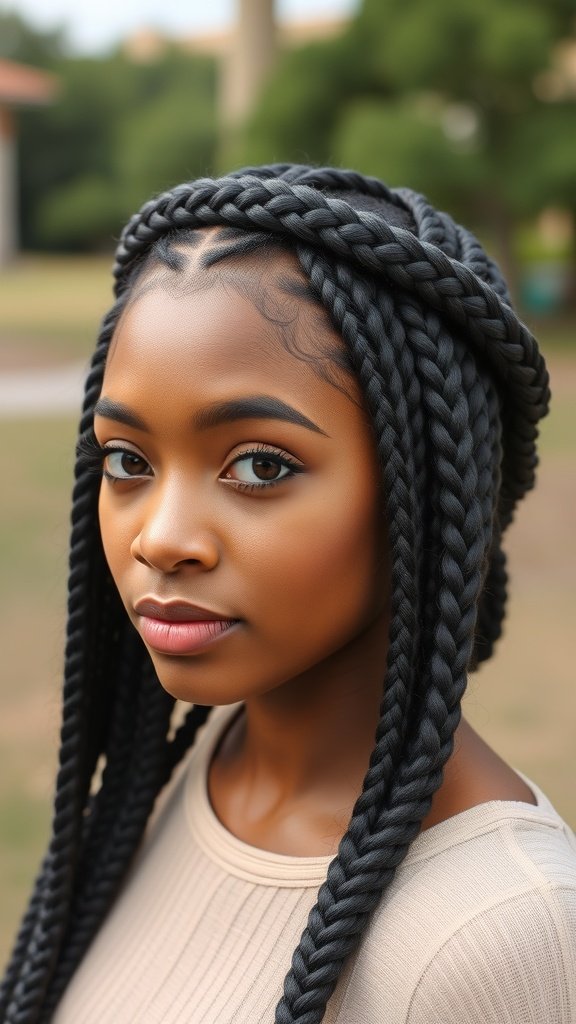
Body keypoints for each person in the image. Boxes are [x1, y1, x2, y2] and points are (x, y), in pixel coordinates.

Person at [1, 164, 575, 1024]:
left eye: (260, 467)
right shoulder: (197, 766)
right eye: (128, 460)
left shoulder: (503, 934)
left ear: (433, 491)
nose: (160, 537)